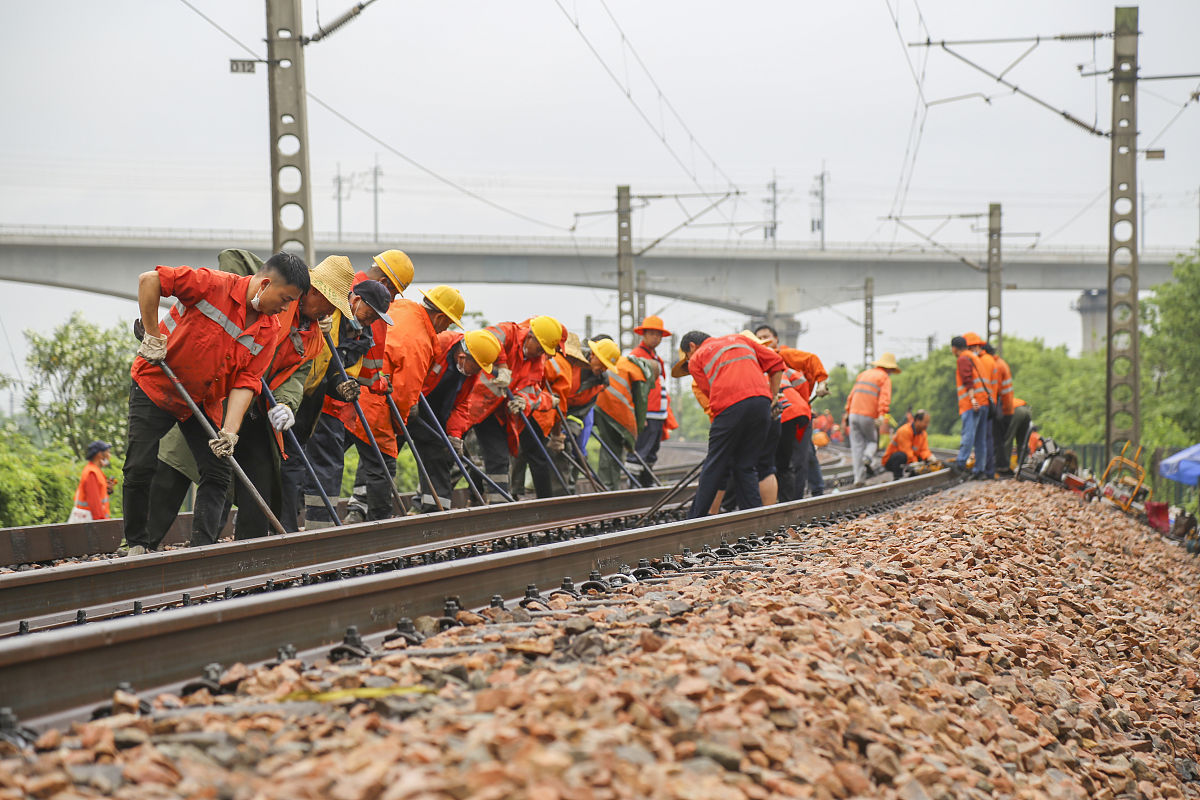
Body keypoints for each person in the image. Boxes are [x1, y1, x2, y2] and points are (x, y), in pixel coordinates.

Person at [141, 250, 349, 546]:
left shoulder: (314, 336)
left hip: (256, 411)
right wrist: (253, 291)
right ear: (313, 292)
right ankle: (143, 544)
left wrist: (287, 405)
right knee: (179, 469)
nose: (330, 314)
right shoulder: (277, 300)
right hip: (223, 396)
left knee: (260, 481)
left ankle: (245, 556)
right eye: (330, 305)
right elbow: (233, 258)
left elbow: (296, 376)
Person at [344, 285, 464, 520]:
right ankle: (381, 525)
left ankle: (338, 514)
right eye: (447, 323)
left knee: (331, 454)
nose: (445, 329)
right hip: (375, 401)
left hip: (350, 391)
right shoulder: (420, 341)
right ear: (439, 317)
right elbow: (405, 393)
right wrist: (400, 426)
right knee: (383, 466)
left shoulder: (402, 308)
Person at [300, 278, 395, 528]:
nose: (371, 320)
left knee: (329, 464)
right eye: (370, 313)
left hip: (332, 404)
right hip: (303, 397)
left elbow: (350, 371)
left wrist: (346, 386)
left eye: (377, 317)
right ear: (355, 301)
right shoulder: (329, 317)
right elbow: (315, 359)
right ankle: (301, 524)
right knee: (301, 461)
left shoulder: (364, 333)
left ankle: (319, 527)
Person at [446, 316, 565, 502]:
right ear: (531, 337)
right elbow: (484, 338)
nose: (540, 353)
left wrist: (523, 400)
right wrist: (502, 365)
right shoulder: (509, 332)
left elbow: (531, 388)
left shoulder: (537, 361)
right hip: (471, 403)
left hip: (496, 413)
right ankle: (432, 501)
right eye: (540, 348)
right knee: (451, 452)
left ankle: (499, 505)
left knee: (499, 458)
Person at [672, 330, 784, 518]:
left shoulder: (697, 357)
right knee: (746, 465)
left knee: (715, 464)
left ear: (691, 346)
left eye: (687, 356)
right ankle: (755, 519)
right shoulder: (740, 339)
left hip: (729, 407)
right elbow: (777, 363)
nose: (688, 361)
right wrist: (772, 398)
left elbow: (711, 393)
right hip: (761, 404)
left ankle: (694, 519)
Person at [410, 329, 501, 510]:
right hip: (408, 407)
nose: (477, 372)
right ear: (462, 357)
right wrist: (409, 399)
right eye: (476, 368)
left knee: (440, 459)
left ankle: (435, 513)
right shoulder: (438, 345)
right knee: (384, 453)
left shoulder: (469, 371)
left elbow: (461, 404)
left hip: (434, 416)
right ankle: (368, 511)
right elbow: (410, 369)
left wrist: (454, 434)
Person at [756, 324, 829, 498]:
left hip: (796, 411)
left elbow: (811, 360)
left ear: (776, 339)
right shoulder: (758, 360)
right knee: (799, 454)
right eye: (759, 337)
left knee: (801, 457)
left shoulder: (783, 355)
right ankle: (809, 491)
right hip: (789, 413)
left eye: (767, 336)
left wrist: (822, 381)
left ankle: (806, 495)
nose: (763, 340)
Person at [536, 333, 609, 493]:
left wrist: (565, 430)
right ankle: (519, 491)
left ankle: (563, 492)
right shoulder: (566, 366)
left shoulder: (599, 382)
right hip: (547, 410)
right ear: (593, 356)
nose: (603, 369)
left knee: (567, 447)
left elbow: (582, 411)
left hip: (570, 416)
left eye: (606, 366)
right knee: (530, 448)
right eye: (601, 363)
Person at [592, 337, 649, 489]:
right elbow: (641, 403)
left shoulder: (626, 364)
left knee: (609, 448)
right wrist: (637, 429)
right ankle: (607, 486)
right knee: (612, 448)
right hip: (612, 409)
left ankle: (607, 486)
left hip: (599, 405)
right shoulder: (639, 372)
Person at [628, 315, 675, 485]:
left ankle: (646, 485)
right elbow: (633, 387)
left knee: (651, 451)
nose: (656, 337)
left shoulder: (655, 358)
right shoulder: (636, 356)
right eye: (652, 333)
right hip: (647, 413)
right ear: (644, 334)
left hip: (657, 413)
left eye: (659, 334)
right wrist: (638, 415)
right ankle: (634, 486)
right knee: (640, 450)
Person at [843, 352, 901, 486]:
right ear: (889, 368)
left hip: (853, 414)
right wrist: (882, 414)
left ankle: (859, 479)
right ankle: (868, 457)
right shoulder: (884, 378)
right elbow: (884, 398)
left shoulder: (864, 374)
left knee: (857, 447)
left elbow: (851, 395)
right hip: (868, 415)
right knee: (872, 441)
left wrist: (847, 411)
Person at [951, 335, 990, 479]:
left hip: (972, 403)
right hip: (983, 402)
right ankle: (980, 470)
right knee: (980, 438)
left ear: (954, 348)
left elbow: (968, 380)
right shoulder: (975, 357)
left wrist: (973, 398)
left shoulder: (963, 359)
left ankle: (961, 462)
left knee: (969, 433)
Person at [967, 333, 999, 475]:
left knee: (982, 438)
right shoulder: (990, 360)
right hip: (990, 402)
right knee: (987, 437)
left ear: (974, 347)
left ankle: (984, 469)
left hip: (981, 403)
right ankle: (988, 469)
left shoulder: (980, 360)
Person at [986, 343, 1017, 477]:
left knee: (998, 439)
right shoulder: (1001, 362)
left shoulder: (996, 366)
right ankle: (1003, 466)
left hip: (1001, 408)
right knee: (1002, 439)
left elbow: (995, 389)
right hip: (1007, 407)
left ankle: (1001, 468)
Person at [69, 440, 115, 522]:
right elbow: (95, 504)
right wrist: (102, 524)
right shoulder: (91, 473)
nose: (109, 456)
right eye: (108, 452)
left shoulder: (95, 470)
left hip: (88, 520)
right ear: (100, 454)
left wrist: (107, 490)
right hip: (87, 521)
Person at [882, 410, 934, 479]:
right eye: (925, 422)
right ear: (918, 420)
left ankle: (913, 478)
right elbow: (906, 451)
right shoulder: (904, 431)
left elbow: (924, 450)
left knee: (924, 459)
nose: (927, 425)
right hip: (891, 461)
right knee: (901, 456)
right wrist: (915, 463)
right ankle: (898, 478)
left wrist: (930, 457)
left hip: (909, 459)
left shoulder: (923, 434)